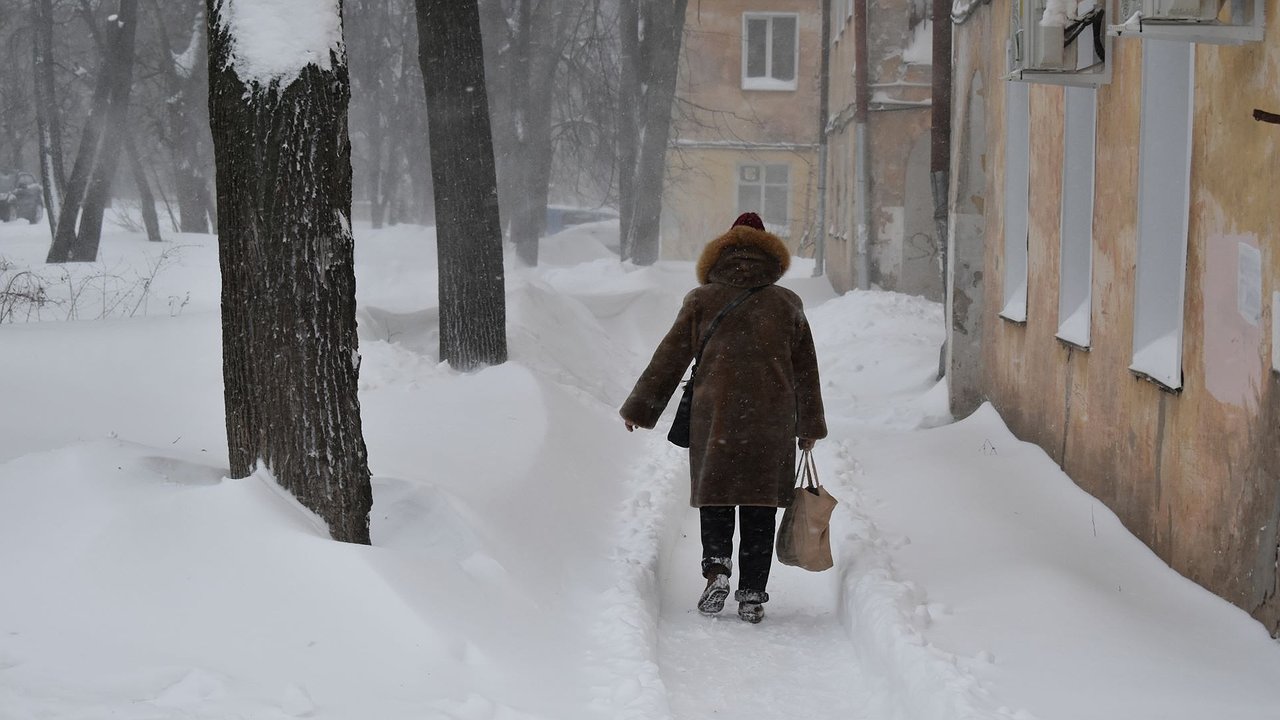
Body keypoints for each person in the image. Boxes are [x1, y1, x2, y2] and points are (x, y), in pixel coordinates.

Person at [619, 212, 827, 623]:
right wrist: (809, 427)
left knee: (715, 498)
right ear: (771, 257)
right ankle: (751, 593)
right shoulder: (787, 304)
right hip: (772, 421)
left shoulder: (701, 301)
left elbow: (670, 358)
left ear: (721, 253)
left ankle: (717, 570)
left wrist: (641, 410)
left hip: (715, 419)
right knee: (759, 505)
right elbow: (806, 370)